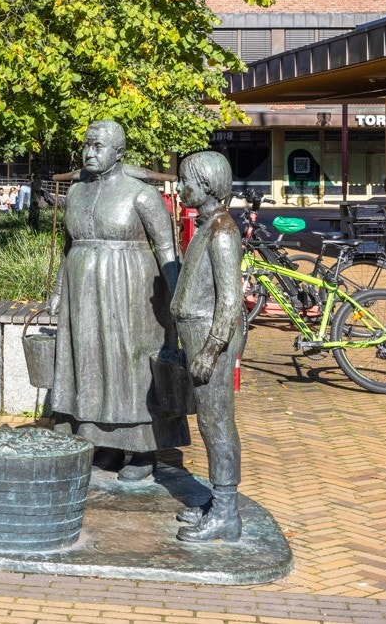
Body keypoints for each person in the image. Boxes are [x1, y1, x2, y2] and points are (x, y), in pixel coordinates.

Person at [48, 120, 186, 482]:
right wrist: (59, 290)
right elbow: (68, 247)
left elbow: (167, 246)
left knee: (129, 363)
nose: (90, 153)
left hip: (129, 289)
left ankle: (141, 450)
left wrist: (175, 294)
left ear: (119, 152)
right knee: (89, 360)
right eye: (87, 145)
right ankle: (101, 442)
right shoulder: (77, 193)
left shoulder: (141, 194)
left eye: (98, 146)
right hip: (82, 288)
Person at [172, 150, 244, 542]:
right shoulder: (207, 226)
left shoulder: (221, 232)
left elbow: (230, 299)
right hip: (196, 333)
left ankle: (226, 513)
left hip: (208, 338)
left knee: (216, 423)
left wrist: (210, 349)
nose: (182, 188)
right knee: (208, 421)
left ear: (209, 187)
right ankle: (217, 502)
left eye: (188, 182)